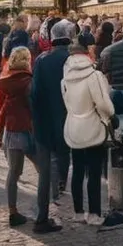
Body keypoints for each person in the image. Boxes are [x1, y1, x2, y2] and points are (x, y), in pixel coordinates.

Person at [62, 34, 123, 230]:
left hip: (73, 126)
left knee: (78, 170)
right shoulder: (93, 76)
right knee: (95, 171)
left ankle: (78, 212)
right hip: (93, 127)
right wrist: (112, 116)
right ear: (86, 53)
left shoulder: (65, 77)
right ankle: (95, 214)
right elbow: (104, 104)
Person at [29, 25, 70, 234]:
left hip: (44, 123)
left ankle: (41, 217)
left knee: (44, 173)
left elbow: (34, 95)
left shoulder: (42, 60)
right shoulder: (73, 60)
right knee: (76, 165)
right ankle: (88, 211)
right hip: (71, 122)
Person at [0, 47, 41, 227]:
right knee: (43, 168)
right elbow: (33, 107)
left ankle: (12, 211)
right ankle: (45, 207)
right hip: (28, 129)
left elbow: (5, 106)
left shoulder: (4, 81)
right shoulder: (27, 81)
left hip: (11, 130)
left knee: (13, 172)